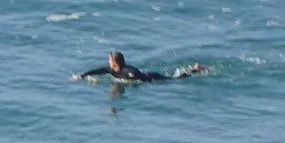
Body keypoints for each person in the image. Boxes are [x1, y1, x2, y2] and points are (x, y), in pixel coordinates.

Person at [72, 52, 205, 84]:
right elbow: (97, 71)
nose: (107, 62)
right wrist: (81, 76)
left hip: (151, 77)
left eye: (109, 60)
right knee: (172, 75)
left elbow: (135, 72)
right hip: (145, 76)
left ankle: (195, 69)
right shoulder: (111, 70)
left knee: (174, 78)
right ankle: (193, 69)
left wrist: (135, 79)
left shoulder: (127, 70)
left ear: (115, 63)